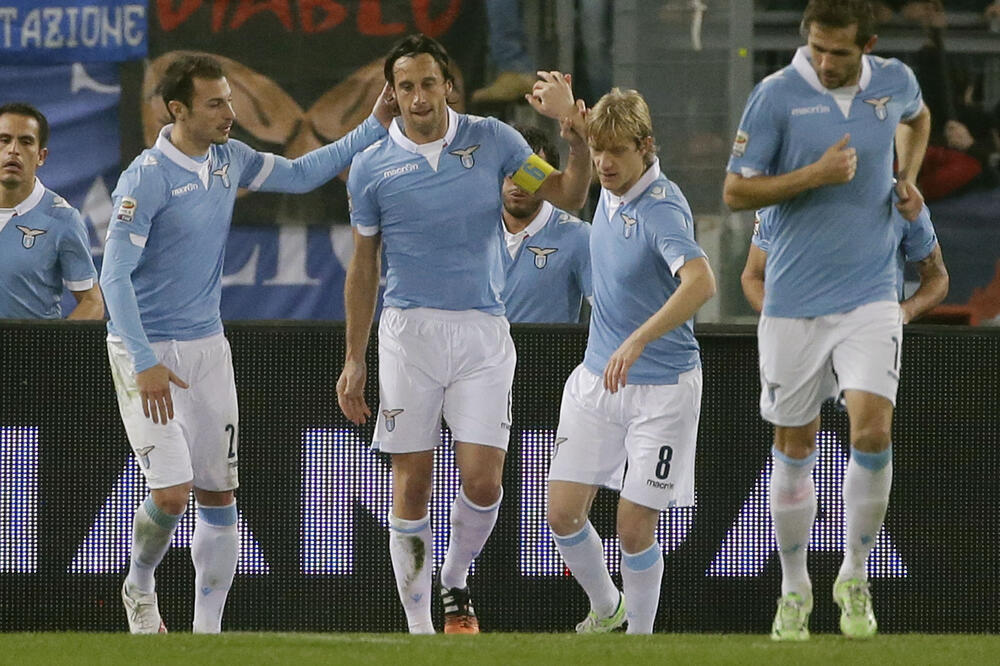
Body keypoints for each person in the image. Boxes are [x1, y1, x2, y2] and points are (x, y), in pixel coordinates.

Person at [101, 54, 393, 634]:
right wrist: (146, 360)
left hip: (208, 349)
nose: (230, 114)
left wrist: (374, 124)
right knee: (173, 493)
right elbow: (113, 277)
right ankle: (138, 583)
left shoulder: (229, 159)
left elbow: (305, 172)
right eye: (215, 104)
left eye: (231, 100)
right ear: (177, 109)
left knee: (219, 494)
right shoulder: (146, 176)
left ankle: (206, 636)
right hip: (145, 350)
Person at [336, 33, 591, 634]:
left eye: (429, 83)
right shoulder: (371, 167)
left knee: (483, 480)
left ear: (448, 85)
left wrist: (573, 136)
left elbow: (570, 193)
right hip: (407, 333)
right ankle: (424, 632)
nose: (420, 97)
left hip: (482, 331)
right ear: (391, 96)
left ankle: (453, 577)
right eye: (406, 87)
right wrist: (354, 358)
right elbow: (364, 266)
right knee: (413, 478)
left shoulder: (495, 139)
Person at [722, 0, 931, 641]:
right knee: (794, 446)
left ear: (866, 45)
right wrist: (812, 175)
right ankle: (794, 588)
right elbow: (734, 192)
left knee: (872, 429)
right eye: (817, 47)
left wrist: (908, 177)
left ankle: (855, 574)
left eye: (839, 52)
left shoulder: (894, 80)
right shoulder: (775, 95)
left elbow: (917, 121)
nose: (825, 61)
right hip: (793, 301)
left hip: (871, 294)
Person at [546, 88, 717, 635]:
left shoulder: (661, 208)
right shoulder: (610, 176)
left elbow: (701, 283)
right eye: (599, 152)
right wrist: (568, 114)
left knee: (633, 528)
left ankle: (640, 642)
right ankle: (607, 609)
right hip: (598, 380)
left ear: (646, 147)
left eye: (616, 152)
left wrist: (639, 337)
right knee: (561, 514)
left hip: (662, 389)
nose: (605, 165)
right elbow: (586, 133)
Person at [741, 205, 948, 319]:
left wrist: (905, 312)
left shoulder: (902, 202)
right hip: (802, 336)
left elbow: (937, 276)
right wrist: (778, 317)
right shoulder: (779, 203)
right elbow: (753, 276)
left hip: (872, 336)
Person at [0, 103, 103, 320]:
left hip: (27, 353)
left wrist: (53, 349)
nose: (13, 150)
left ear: (41, 156)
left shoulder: (63, 219)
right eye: (4, 140)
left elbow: (92, 302)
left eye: (26, 141)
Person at [501, 124, 592, 323]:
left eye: (531, 175)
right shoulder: (473, 230)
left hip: (546, 353)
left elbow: (608, 309)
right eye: (511, 173)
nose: (518, 184)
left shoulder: (578, 237)